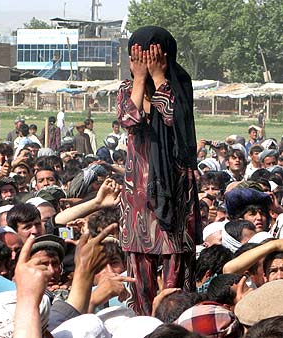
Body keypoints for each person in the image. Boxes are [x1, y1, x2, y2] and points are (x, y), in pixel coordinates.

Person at [117, 26, 201, 315]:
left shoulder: (179, 85)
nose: (145, 59)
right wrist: (140, 79)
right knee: (139, 274)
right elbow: (130, 119)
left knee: (174, 275)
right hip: (138, 196)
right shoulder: (127, 90)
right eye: (138, 55)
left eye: (152, 55)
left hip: (175, 195)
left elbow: (171, 117)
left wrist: (159, 77)